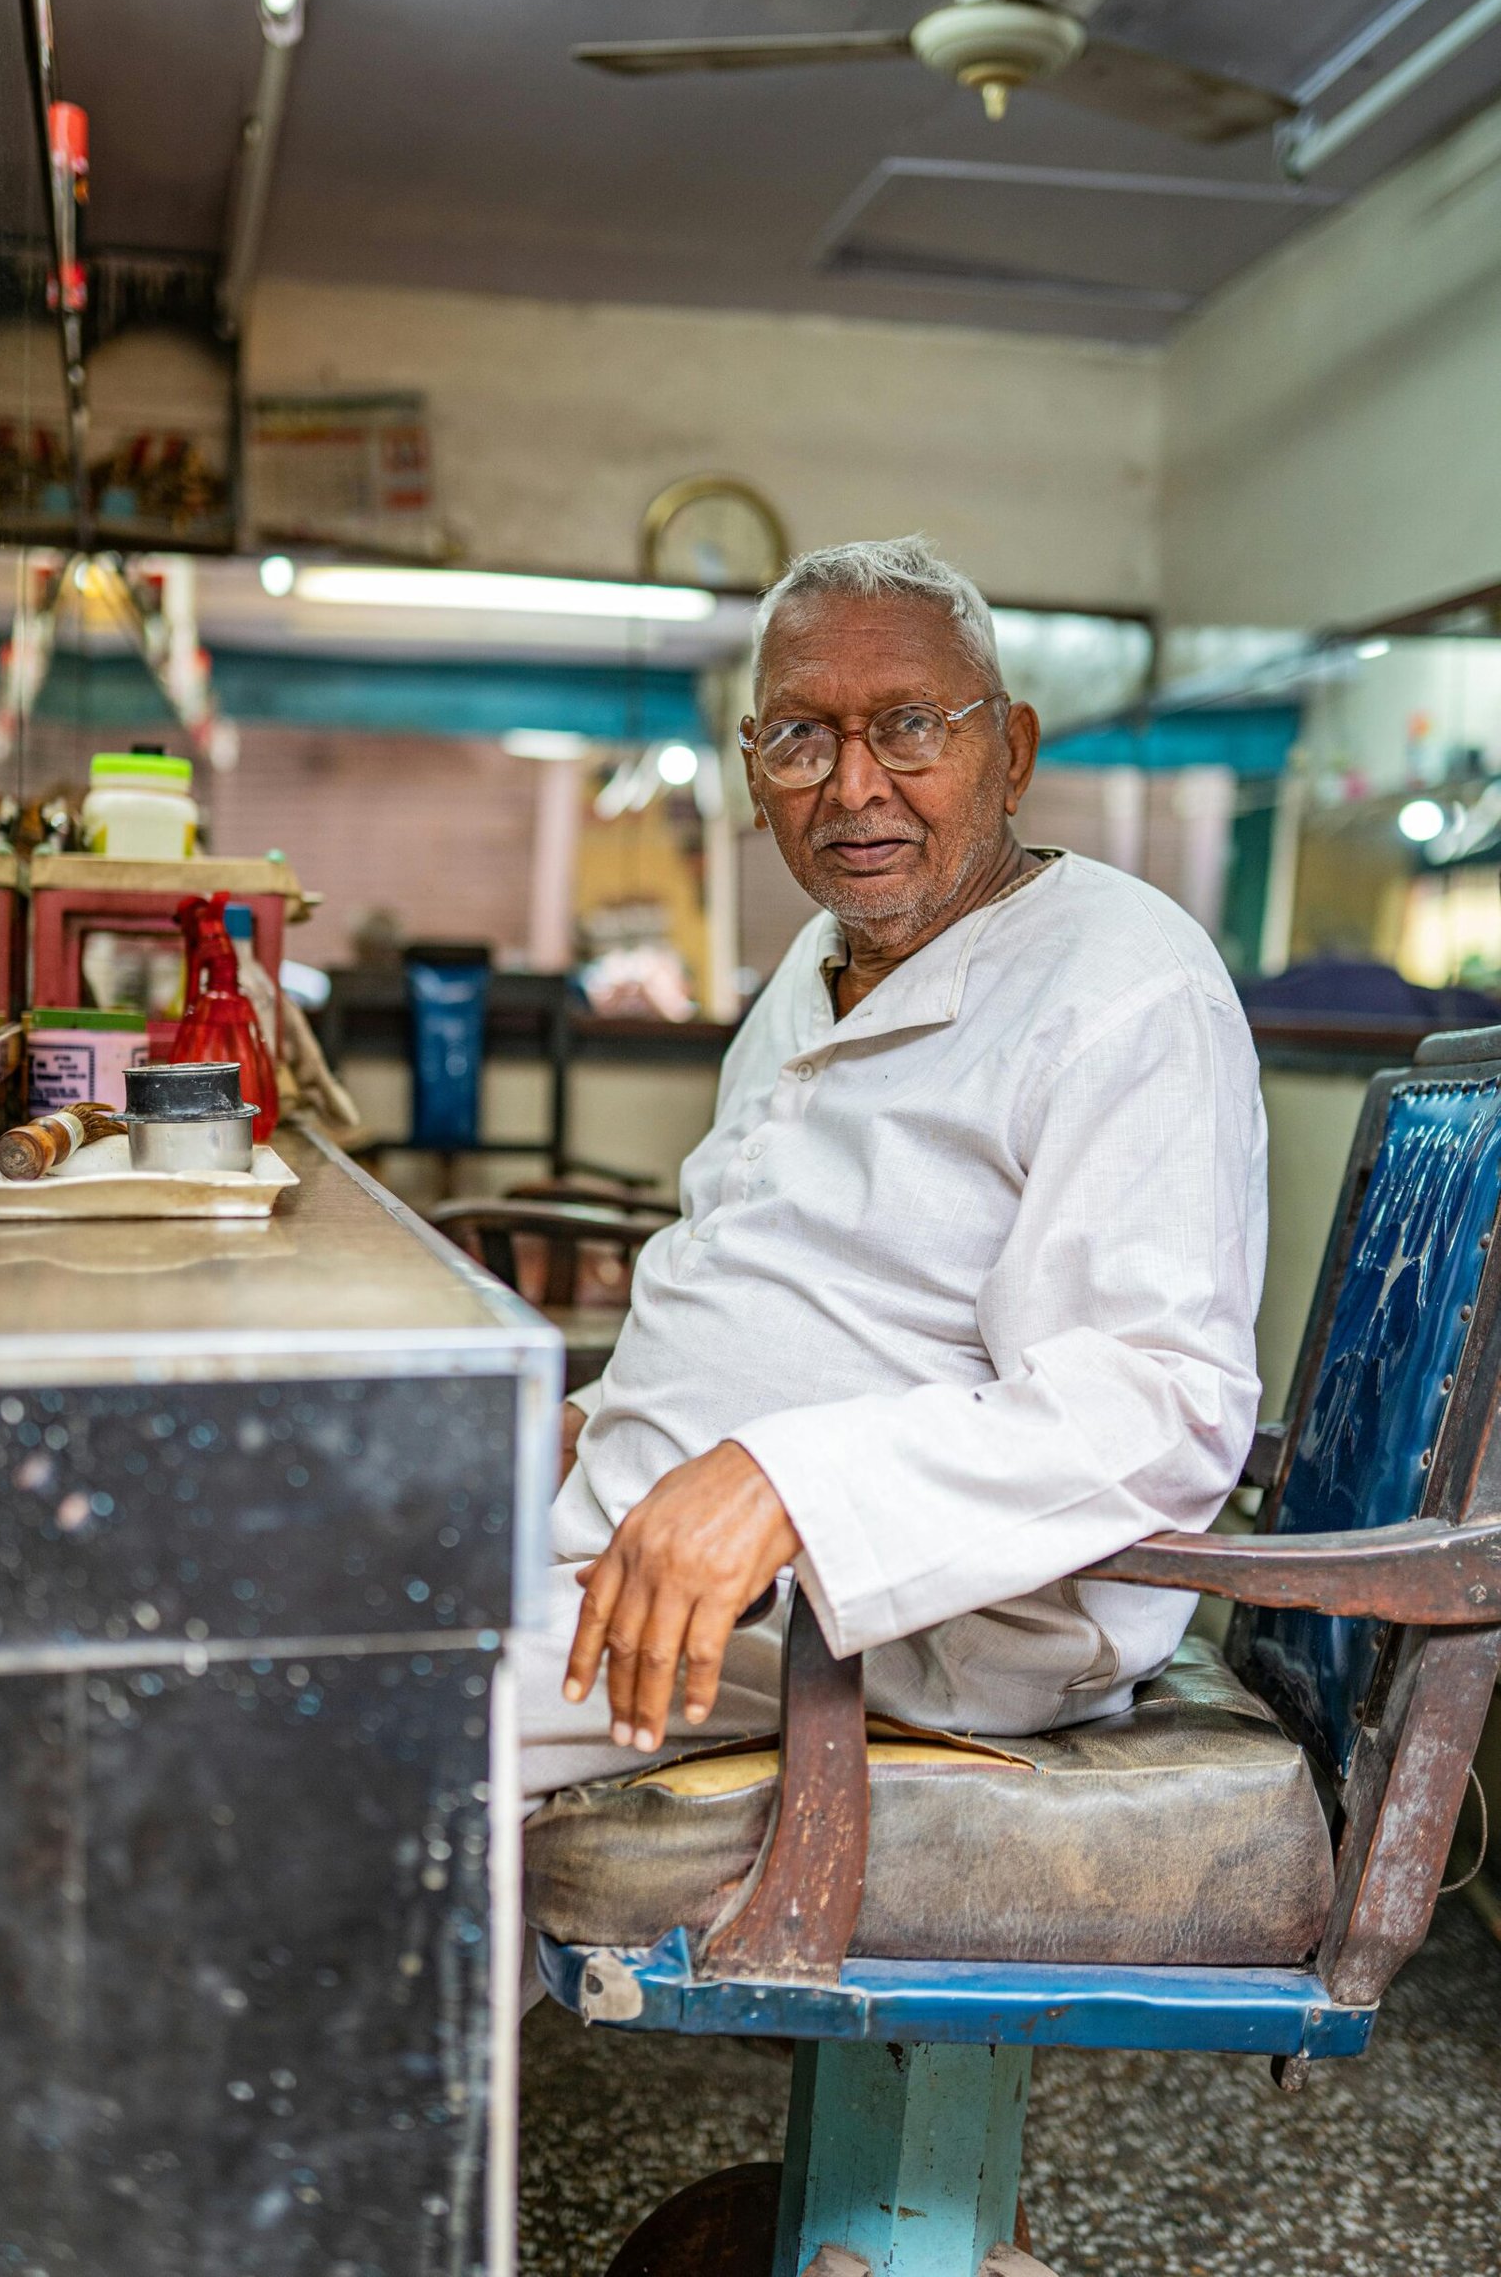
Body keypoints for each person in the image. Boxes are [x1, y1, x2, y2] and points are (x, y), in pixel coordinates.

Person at [519, 534, 1266, 1827]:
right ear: (756, 772)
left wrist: (785, 1483)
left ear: (1014, 750)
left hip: (890, 1623)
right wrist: (599, 1418)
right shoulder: (818, 962)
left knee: (376, 1697)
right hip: (671, 1545)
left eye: (910, 727)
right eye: (803, 738)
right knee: (310, 1586)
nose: (855, 786)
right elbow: (774, 1282)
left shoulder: (1127, 981)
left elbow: (1167, 1403)